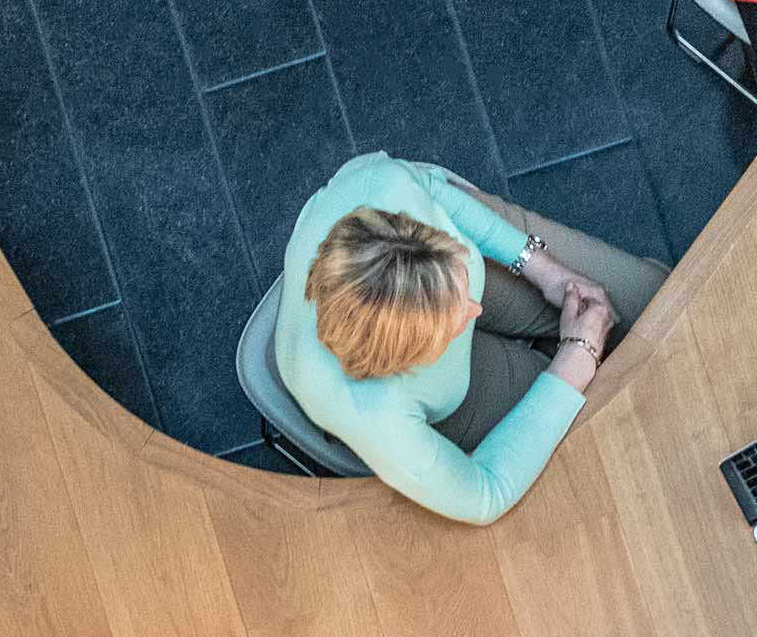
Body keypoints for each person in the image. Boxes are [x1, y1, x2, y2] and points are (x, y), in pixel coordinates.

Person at [277, 155, 673, 525]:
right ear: (404, 362)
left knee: (654, 297)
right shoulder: (373, 413)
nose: (475, 312)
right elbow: (484, 495)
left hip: (430, 303)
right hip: (446, 396)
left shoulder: (387, 187)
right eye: (455, 318)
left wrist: (546, 271)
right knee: (613, 411)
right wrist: (575, 359)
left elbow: (440, 196)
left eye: (460, 285)